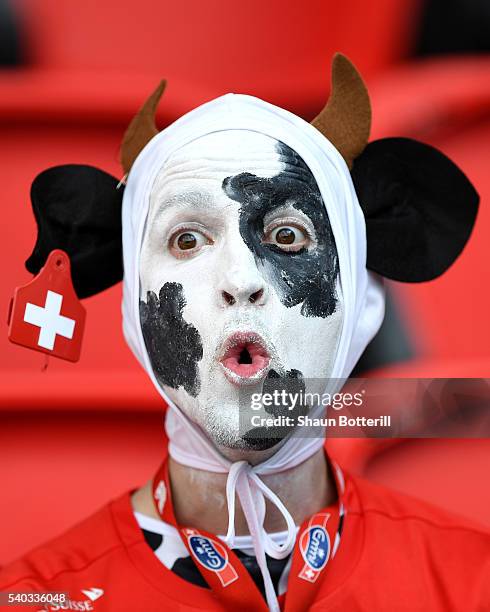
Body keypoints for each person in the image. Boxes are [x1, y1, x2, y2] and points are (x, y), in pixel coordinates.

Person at [1, 54, 488, 611]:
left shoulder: (472, 583)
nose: (240, 279)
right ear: (134, 294)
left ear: (357, 296)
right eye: (186, 240)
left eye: (287, 235)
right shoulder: (34, 600)